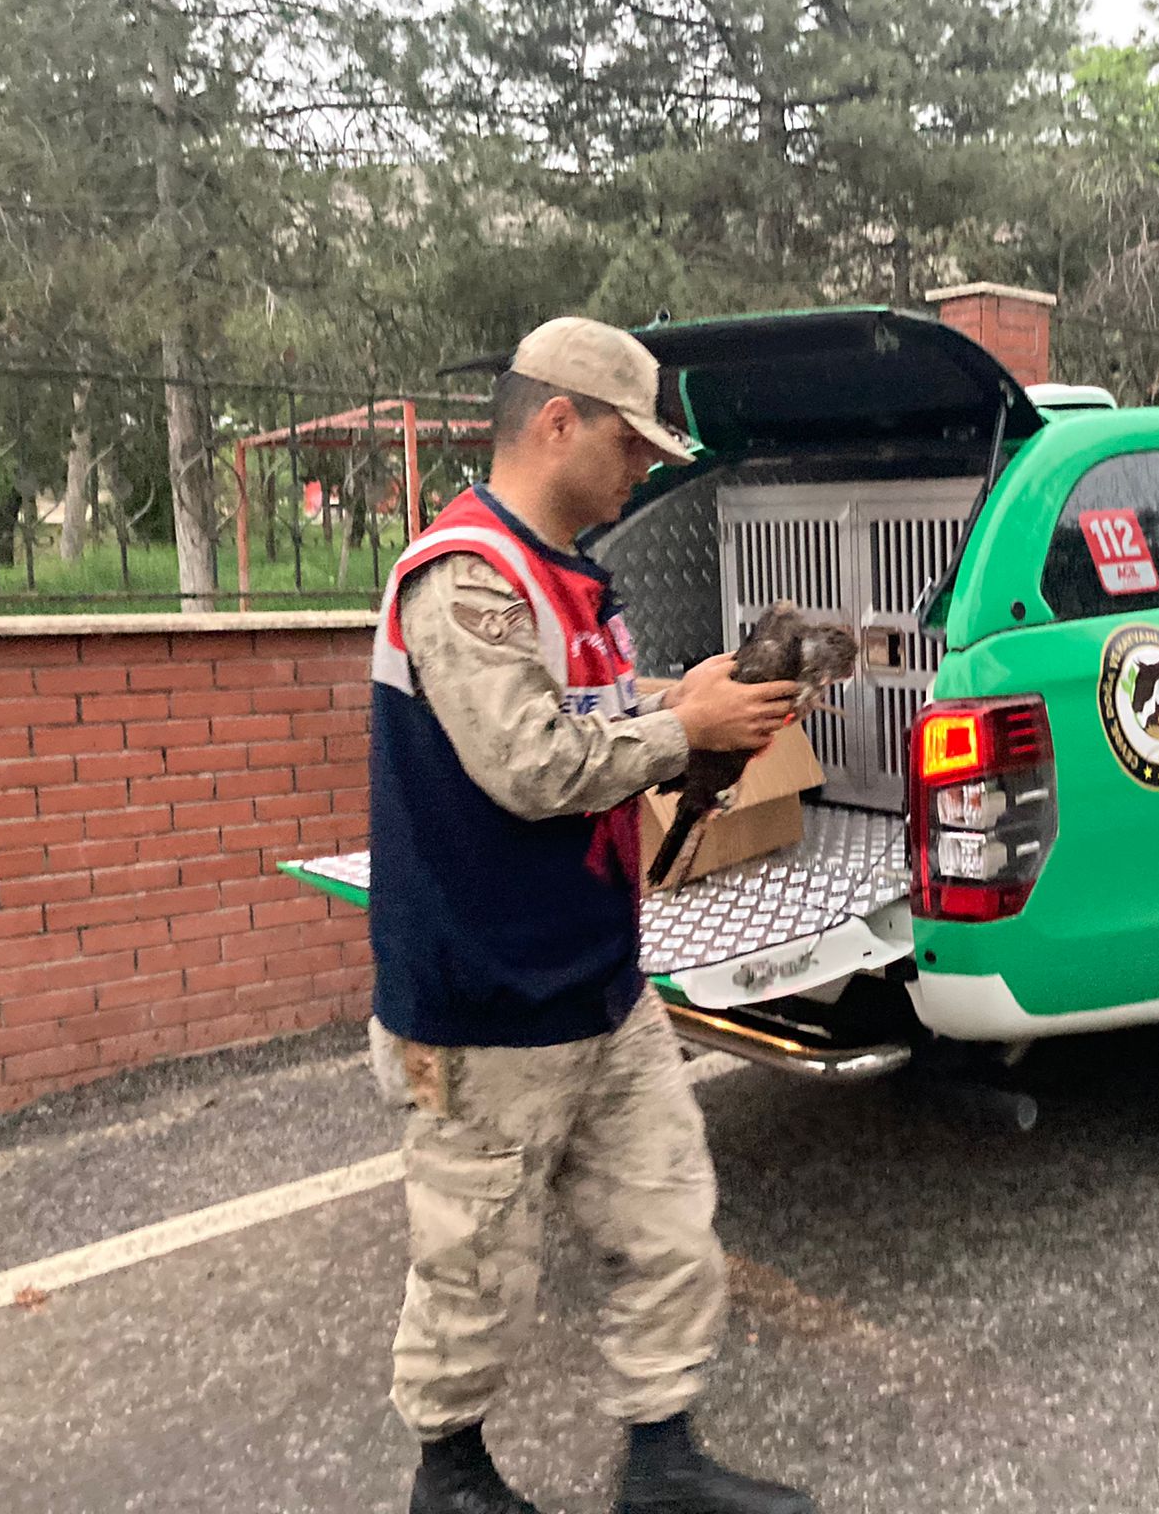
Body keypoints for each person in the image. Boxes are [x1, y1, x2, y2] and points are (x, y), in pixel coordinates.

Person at [366, 315, 816, 1514]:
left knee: (667, 1216)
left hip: (596, 985)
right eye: (631, 447)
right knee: (473, 1263)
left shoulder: (565, 580)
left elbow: (595, 704)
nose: (644, 472)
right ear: (557, 420)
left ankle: (661, 1464)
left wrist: (686, 694)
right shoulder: (465, 576)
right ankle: (449, 1482)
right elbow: (531, 761)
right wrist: (688, 732)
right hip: (482, 1003)